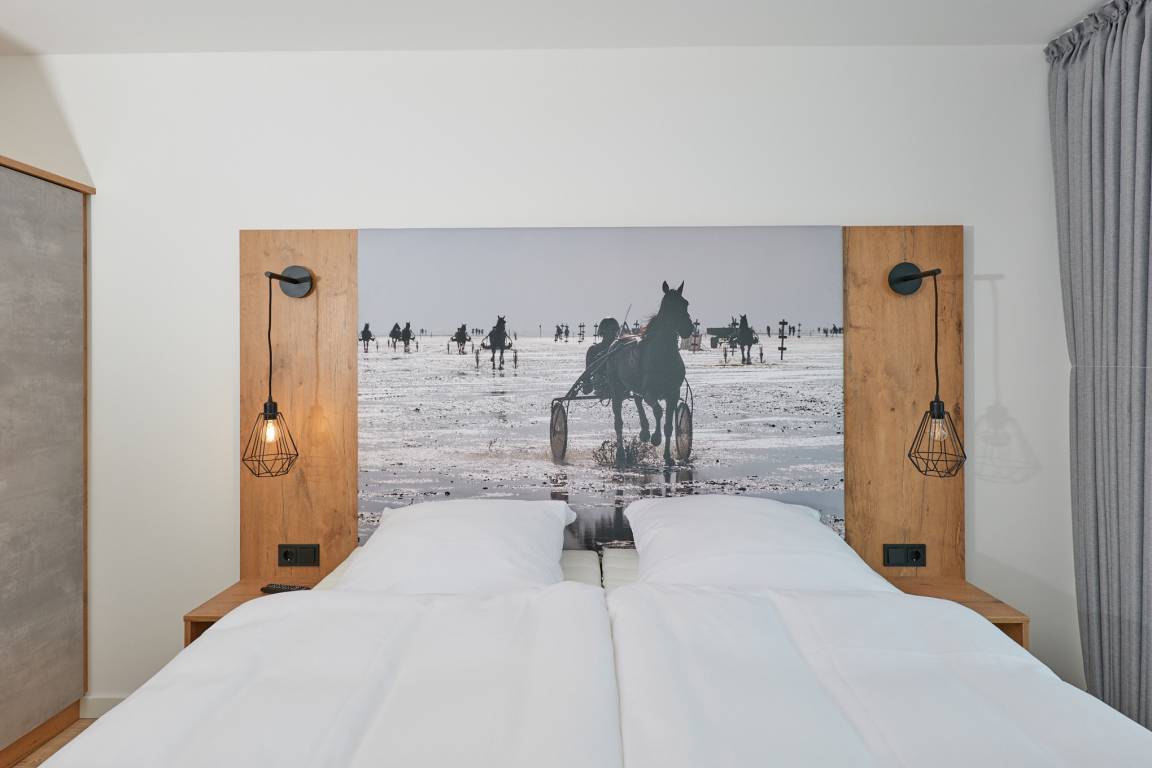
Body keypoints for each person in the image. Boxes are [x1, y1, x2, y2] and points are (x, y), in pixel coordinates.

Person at [582, 317, 620, 396]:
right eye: (612, 329)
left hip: (620, 381)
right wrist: (586, 383)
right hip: (602, 382)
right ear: (604, 330)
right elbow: (588, 371)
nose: (614, 332)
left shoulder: (620, 348)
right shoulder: (594, 349)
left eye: (615, 330)